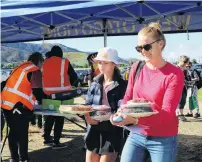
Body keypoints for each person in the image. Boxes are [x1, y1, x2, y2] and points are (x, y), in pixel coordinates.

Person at [110, 22, 184, 162]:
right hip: (136, 134)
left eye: (147, 47)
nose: (143, 51)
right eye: (139, 48)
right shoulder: (137, 67)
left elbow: (167, 113)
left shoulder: (174, 74)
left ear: (160, 44)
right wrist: (120, 113)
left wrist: (135, 119)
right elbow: (127, 97)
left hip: (163, 138)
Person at [84, 47, 127, 162]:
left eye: (105, 63)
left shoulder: (123, 85)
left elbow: (125, 109)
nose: (101, 66)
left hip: (112, 131)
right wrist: (87, 117)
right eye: (99, 62)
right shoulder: (94, 84)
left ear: (114, 64)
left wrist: (115, 116)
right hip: (94, 129)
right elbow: (87, 105)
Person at [1, 52, 42, 162]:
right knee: (22, 133)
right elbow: (38, 88)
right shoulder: (33, 69)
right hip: (18, 105)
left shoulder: (21, 66)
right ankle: (24, 158)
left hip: (6, 103)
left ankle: (14, 158)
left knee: (13, 131)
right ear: (39, 60)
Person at [42, 46, 78, 149]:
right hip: (62, 94)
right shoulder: (64, 62)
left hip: (48, 94)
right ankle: (56, 142)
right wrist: (71, 86)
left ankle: (47, 138)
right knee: (59, 117)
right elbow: (74, 77)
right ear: (60, 53)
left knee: (49, 116)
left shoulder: (45, 62)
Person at [29, 52, 45, 129]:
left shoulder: (29, 67)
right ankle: (39, 123)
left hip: (32, 88)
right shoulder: (38, 68)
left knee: (33, 105)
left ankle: (34, 121)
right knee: (40, 105)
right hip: (39, 88)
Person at [176, 55, 190, 121]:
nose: (185, 64)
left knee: (183, 100)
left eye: (186, 62)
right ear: (180, 61)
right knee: (177, 100)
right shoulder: (175, 68)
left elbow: (187, 78)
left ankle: (180, 114)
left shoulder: (185, 70)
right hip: (176, 87)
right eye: (184, 62)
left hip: (183, 86)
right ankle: (178, 114)